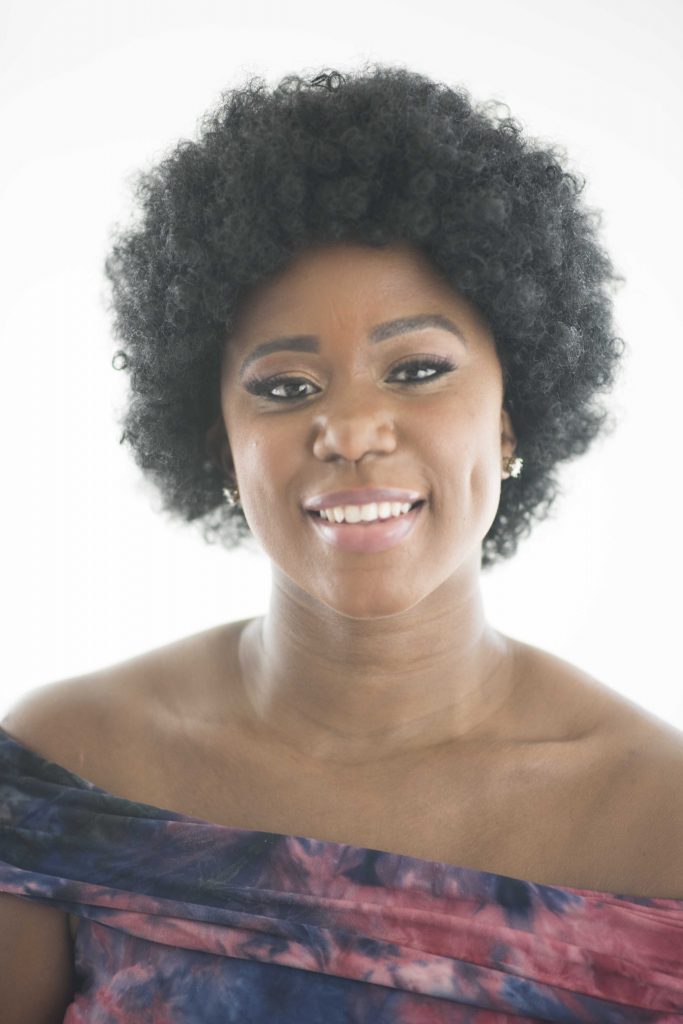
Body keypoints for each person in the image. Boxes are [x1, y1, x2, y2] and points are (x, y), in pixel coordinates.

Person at [1, 62, 682, 1022]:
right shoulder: (69, 768)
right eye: (286, 387)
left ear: (509, 417)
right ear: (219, 443)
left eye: (416, 369)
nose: (352, 431)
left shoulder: (659, 820)